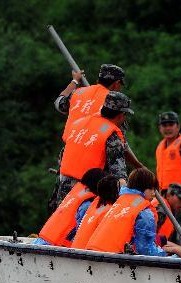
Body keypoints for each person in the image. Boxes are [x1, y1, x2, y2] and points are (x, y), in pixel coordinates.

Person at [48, 65, 145, 212]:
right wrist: (138, 166)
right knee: (88, 212)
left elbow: (59, 103)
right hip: (94, 169)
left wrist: (74, 81)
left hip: (69, 157)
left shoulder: (78, 93)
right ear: (117, 83)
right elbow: (118, 146)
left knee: (63, 210)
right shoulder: (114, 105)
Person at [56, 91, 132, 206]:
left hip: (64, 190)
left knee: (63, 222)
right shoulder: (112, 136)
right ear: (121, 115)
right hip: (86, 195)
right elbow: (119, 177)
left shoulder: (79, 123)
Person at [86, 168, 166, 256]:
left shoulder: (120, 202)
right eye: (151, 188)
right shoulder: (145, 213)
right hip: (112, 260)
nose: (154, 193)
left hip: (93, 254)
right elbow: (145, 250)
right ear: (142, 187)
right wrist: (165, 253)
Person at [34, 168, 105, 247]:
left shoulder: (75, 195)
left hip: (44, 239)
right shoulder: (87, 204)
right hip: (54, 245)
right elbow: (82, 230)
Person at [71, 175, 120, 249]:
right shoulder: (110, 212)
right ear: (115, 192)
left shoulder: (95, 205)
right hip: (89, 254)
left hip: (76, 250)